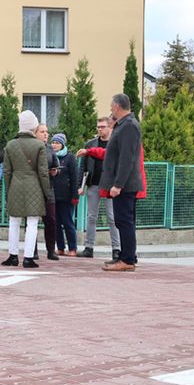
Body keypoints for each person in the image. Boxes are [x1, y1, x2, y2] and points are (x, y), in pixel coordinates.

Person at [1, 110, 53, 268]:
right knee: (32, 222)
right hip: (34, 185)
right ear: (34, 127)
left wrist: (9, 190)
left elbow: (7, 172)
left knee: (14, 221)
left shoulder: (10, 145)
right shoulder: (39, 145)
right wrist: (47, 192)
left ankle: (13, 255)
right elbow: (43, 173)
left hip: (15, 184)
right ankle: (29, 258)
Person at [98, 93, 145, 271]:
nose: (110, 108)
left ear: (117, 106)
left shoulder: (129, 126)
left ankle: (127, 260)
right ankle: (127, 256)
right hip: (124, 184)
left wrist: (118, 184)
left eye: (112, 106)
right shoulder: (124, 125)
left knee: (124, 221)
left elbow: (127, 158)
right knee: (123, 221)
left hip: (125, 185)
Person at [76, 116, 120, 260]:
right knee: (91, 216)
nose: (100, 129)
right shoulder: (90, 144)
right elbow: (83, 166)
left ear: (110, 128)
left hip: (109, 186)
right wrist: (80, 185)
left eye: (103, 127)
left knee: (112, 217)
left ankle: (116, 249)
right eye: (98, 127)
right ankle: (89, 247)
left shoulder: (115, 144)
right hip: (93, 184)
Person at [49, 132, 79, 255]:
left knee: (67, 222)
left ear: (62, 144)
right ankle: (60, 247)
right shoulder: (50, 156)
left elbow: (74, 177)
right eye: (53, 142)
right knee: (55, 223)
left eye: (57, 143)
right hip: (53, 195)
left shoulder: (70, 157)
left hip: (66, 196)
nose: (55, 145)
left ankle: (72, 248)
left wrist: (75, 196)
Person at [36, 125, 60, 260]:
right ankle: (32, 250)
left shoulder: (50, 148)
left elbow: (56, 165)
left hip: (48, 188)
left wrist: (55, 171)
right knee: (32, 220)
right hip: (34, 188)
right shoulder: (32, 148)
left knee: (51, 220)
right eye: (42, 132)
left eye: (46, 132)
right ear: (35, 133)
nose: (46, 134)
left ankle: (51, 250)